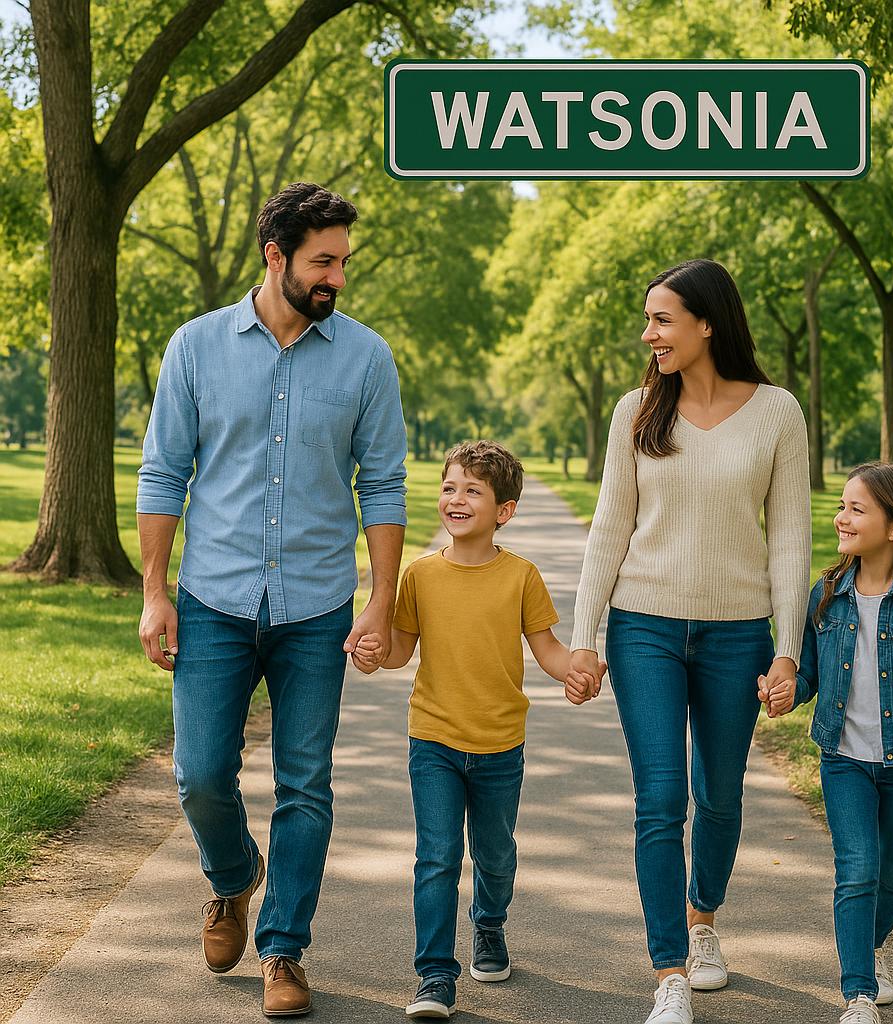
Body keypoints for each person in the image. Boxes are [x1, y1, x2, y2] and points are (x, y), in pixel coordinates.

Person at [136, 182, 407, 1018]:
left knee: (306, 785)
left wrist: (380, 602)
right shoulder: (196, 346)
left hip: (319, 605)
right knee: (199, 773)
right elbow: (163, 471)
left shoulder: (366, 358)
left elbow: (386, 485)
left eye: (343, 263)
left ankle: (284, 950)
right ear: (275, 256)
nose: (336, 278)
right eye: (322, 261)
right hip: (212, 595)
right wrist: (155, 591)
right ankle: (231, 877)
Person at [568, 259, 812, 1024]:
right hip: (644, 625)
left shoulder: (776, 412)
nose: (649, 334)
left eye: (663, 319)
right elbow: (610, 529)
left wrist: (787, 649)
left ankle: (704, 916)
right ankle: (669, 970)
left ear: (709, 322)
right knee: (661, 798)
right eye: (648, 320)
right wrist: (584, 640)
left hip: (738, 632)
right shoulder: (636, 411)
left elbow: (790, 541)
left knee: (721, 795)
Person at [352, 440, 603, 1020]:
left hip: (500, 744)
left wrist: (580, 671)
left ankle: (489, 926)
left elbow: (549, 652)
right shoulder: (419, 576)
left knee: (494, 856)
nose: (456, 499)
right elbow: (399, 652)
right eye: (449, 487)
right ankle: (435, 976)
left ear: (503, 510)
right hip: (434, 739)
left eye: (472, 490)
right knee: (437, 856)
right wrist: (373, 650)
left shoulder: (521, 577)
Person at [765, 463, 893, 1024]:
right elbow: (809, 675)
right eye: (842, 506)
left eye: (857, 509)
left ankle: (871, 952)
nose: (841, 517)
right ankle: (857, 995)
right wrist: (787, 692)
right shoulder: (827, 594)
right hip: (844, 762)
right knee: (857, 868)